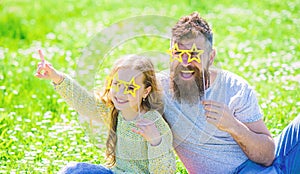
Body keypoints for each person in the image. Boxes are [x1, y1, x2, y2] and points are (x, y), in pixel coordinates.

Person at [160, 11, 300, 173]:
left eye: (193, 54)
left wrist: (233, 126)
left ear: (211, 57)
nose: (185, 62)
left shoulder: (235, 89)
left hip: (278, 159)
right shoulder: (158, 88)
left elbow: (268, 155)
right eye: (178, 53)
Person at [35, 54, 176, 173]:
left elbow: (166, 171)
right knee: (75, 170)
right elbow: (84, 102)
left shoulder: (153, 123)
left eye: (130, 88)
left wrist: (156, 142)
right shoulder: (114, 111)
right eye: (117, 84)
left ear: (146, 91)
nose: (121, 93)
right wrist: (56, 77)